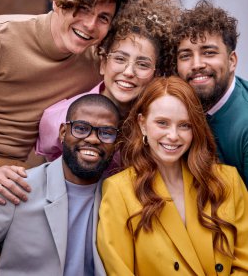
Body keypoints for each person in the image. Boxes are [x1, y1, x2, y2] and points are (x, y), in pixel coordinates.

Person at [97, 76, 248, 275]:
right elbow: (119, 269)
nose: (173, 135)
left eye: (185, 125)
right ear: (142, 123)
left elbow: (244, 264)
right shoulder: (119, 190)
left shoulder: (228, 181)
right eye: (162, 123)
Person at [0, 0, 133, 170]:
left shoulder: (97, 63)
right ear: (58, 3)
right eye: (83, 8)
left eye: (103, 18)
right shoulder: (1, 37)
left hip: (14, 176)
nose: (90, 24)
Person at [35, 0, 181, 162]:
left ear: (156, 73)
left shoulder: (161, 125)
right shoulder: (59, 117)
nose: (128, 72)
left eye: (142, 64)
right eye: (120, 59)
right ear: (103, 63)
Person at [0, 93, 120, 276]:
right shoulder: (17, 186)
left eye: (106, 133)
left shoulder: (119, 197)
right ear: (63, 133)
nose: (93, 139)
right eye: (81, 128)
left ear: (116, 143)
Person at [172, 0, 248, 187]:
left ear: (232, 61)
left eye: (209, 53)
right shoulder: (179, 105)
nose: (196, 64)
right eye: (186, 56)